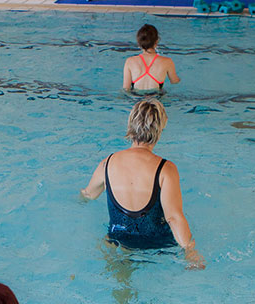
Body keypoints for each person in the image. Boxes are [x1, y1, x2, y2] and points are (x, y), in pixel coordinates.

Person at [81, 99, 204, 269]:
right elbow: (173, 217)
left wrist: (77, 199)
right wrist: (190, 251)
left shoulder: (107, 163)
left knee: (122, 287)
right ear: (160, 128)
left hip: (119, 242)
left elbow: (89, 194)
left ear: (131, 124)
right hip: (157, 246)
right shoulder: (166, 169)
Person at [122, 24, 180, 93]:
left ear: (139, 42)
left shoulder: (130, 61)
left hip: (137, 99)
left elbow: (126, 89)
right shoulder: (167, 61)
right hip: (157, 98)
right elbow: (175, 82)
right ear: (156, 41)